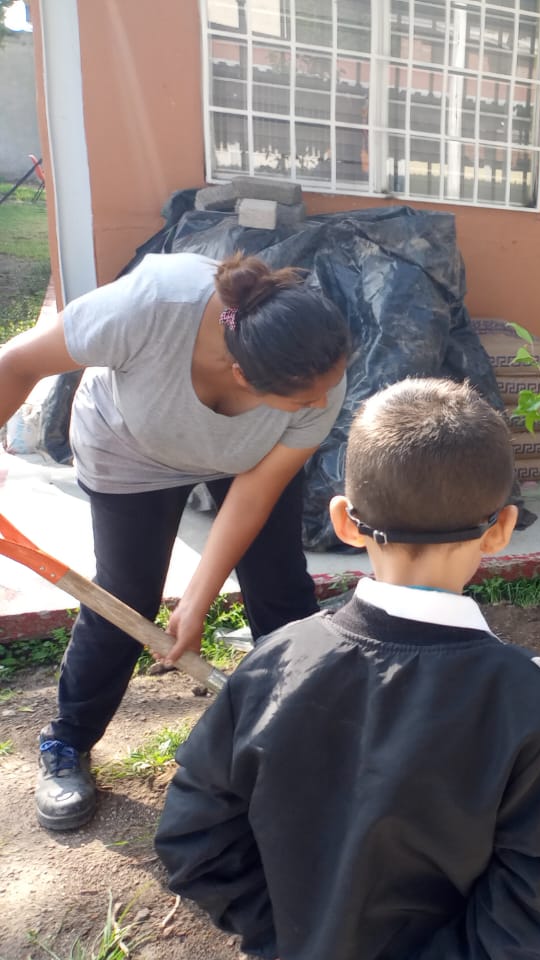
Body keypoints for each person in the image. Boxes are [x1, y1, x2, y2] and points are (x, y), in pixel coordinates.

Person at [154, 378, 540, 960]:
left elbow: (193, 838)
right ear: (502, 529)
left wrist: (282, 934)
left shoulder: (272, 663)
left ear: (344, 520)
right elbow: (535, 897)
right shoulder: (528, 700)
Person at [0, 251, 350, 831]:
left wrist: (197, 601)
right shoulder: (150, 308)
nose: (323, 405)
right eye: (306, 399)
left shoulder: (316, 377)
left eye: (328, 388)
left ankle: (300, 731)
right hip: (132, 444)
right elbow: (16, 363)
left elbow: (253, 496)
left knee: (279, 583)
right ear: (242, 376)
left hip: (245, 457)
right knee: (127, 596)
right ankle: (67, 743)